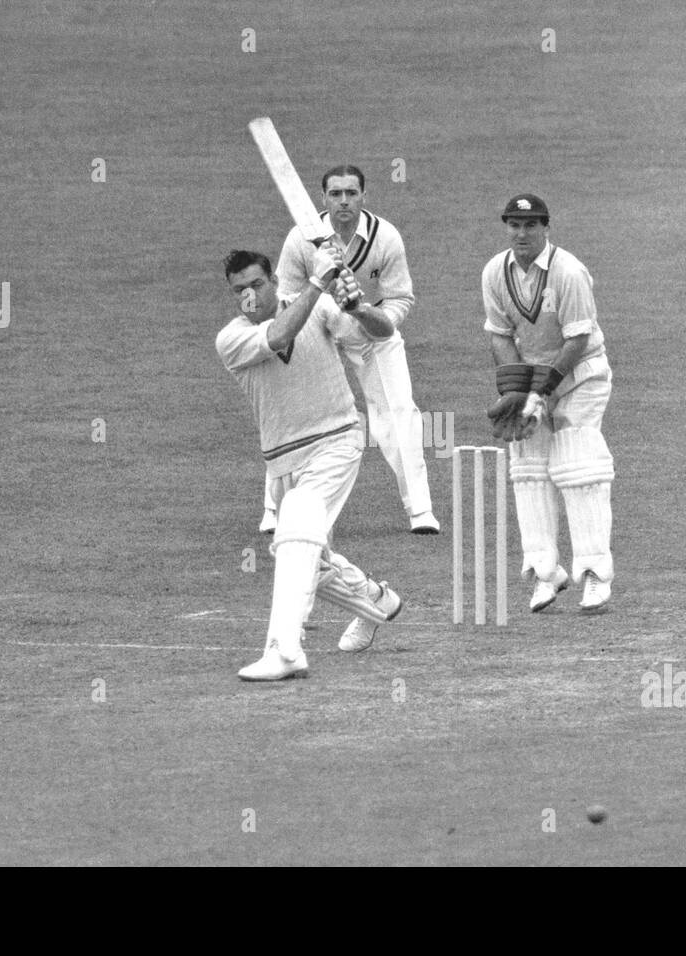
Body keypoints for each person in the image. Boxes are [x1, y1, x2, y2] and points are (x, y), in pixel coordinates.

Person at [216, 248, 403, 680]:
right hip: (282, 461)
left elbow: (382, 330)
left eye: (257, 285)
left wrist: (357, 304)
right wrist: (319, 282)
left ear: (274, 281)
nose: (249, 295)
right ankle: (377, 599)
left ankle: (285, 650)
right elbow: (280, 336)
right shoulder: (231, 338)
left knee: (299, 518)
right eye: (239, 289)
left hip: (336, 440)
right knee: (307, 561)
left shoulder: (319, 306)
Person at [260, 164, 439, 536]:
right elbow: (285, 302)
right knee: (292, 410)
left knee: (398, 411)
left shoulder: (385, 237)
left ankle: (420, 510)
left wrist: (359, 308)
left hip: (370, 330)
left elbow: (399, 304)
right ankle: (274, 510)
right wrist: (321, 293)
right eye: (336, 194)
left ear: (363, 196)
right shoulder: (301, 239)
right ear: (323, 198)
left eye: (351, 193)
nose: (344, 201)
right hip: (315, 329)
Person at [481, 194, 614, 613]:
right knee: (529, 470)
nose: (522, 234)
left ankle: (594, 574)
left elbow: (577, 339)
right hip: (533, 375)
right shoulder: (494, 272)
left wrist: (544, 393)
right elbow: (499, 333)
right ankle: (544, 573)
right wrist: (516, 389)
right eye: (515, 226)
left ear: (545, 227)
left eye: (531, 226)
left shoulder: (568, 271)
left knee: (578, 466)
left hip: (580, 375)